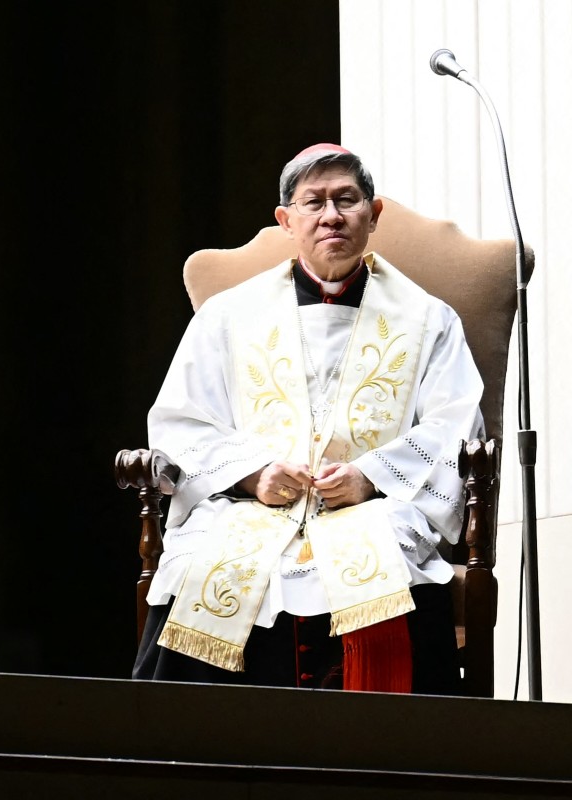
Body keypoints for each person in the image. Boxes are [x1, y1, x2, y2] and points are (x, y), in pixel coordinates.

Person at [132, 143, 484, 695]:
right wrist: (253, 474)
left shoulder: (427, 319)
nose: (331, 216)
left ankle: (382, 741)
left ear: (373, 213)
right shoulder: (228, 316)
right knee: (203, 563)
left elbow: (455, 427)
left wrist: (370, 477)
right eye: (313, 202)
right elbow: (181, 423)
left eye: (347, 199)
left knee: (389, 564)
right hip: (248, 509)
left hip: (374, 508)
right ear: (286, 220)